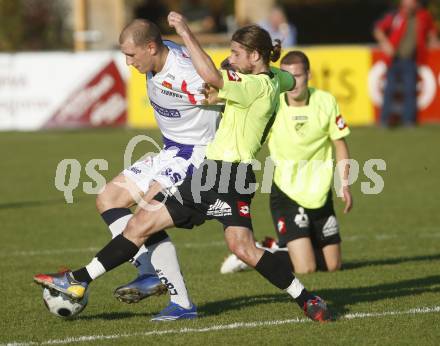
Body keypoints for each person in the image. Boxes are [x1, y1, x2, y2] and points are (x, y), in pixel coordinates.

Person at [34, 12, 331, 322]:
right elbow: (286, 79)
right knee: (242, 247)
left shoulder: (250, 85)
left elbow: (214, 78)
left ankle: (80, 279)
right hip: (230, 175)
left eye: (235, 54)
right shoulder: (271, 79)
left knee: (142, 225)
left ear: (254, 56)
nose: (229, 59)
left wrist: (187, 33)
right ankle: (307, 299)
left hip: (213, 171)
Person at [49, 19, 221, 321]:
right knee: (108, 198)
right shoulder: (158, 55)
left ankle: (181, 304)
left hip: (195, 156)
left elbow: (220, 89)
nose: (128, 63)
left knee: (145, 218)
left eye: (131, 55)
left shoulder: (188, 73)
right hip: (170, 150)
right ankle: (148, 274)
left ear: (151, 47)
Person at [221, 50, 352, 275]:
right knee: (306, 268)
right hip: (286, 193)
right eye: (287, 76)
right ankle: (261, 251)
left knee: (332, 266)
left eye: (298, 76)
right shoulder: (273, 102)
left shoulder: (325, 101)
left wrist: (344, 183)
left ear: (308, 75)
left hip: (320, 193)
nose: (293, 83)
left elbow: (340, 144)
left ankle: (284, 246)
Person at [373, 0, 438, 127]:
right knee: (389, 89)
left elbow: (431, 33)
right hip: (394, 59)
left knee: (410, 90)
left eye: (409, 5)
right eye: (404, 5)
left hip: (411, 60)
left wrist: (434, 43)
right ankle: (384, 121)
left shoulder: (423, 16)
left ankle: (409, 121)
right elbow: (378, 29)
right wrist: (386, 44)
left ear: (416, 5)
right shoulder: (396, 16)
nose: (406, 8)